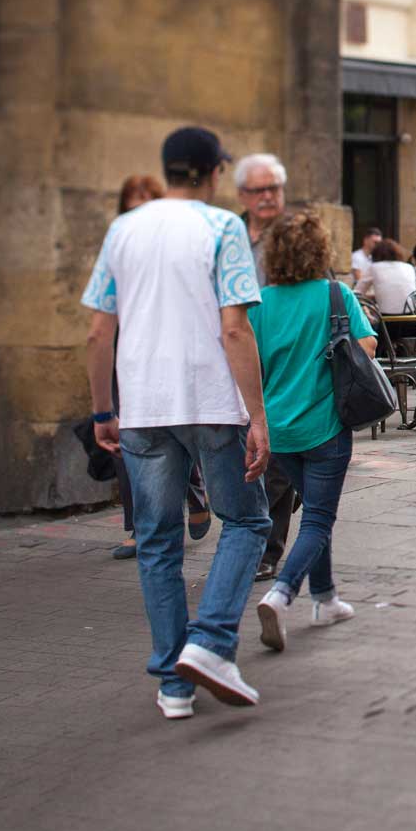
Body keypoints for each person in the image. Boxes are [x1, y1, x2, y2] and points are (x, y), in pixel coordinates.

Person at [82, 126, 273, 717]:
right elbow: (235, 327)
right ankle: (212, 642)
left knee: (157, 542)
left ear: (167, 171)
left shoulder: (123, 229)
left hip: (143, 406)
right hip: (211, 400)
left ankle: (173, 683)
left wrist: (102, 409)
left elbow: (97, 330)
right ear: (215, 172)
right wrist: (258, 416)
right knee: (246, 522)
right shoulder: (222, 228)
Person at [249, 212, 373, 652]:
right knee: (319, 518)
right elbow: (367, 346)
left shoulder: (261, 303)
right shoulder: (335, 295)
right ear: (320, 250)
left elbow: (251, 365)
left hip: (280, 432)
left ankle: (326, 599)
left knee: (315, 517)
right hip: (326, 428)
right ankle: (281, 595)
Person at [107, 176, 212, 561]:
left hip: (172, 351)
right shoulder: (118, 248)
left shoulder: (177, 250)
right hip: (130, 353)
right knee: (131, 437)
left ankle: (195, 495)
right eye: (132, 208)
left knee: (176, 429)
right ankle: (137, 526)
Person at [234, 153, 297, 582]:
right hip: (236, 353)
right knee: (244, 456)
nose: (268, 197)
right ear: (243, 195)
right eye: (259, 189)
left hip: (282, 355)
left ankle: (267, 550)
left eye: (274, 188)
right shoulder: (228, 235)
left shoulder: (296, 234)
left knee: (272, 458)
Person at [356, 238, 416, 315]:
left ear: (375, 254)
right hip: (412, 317)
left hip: (387, 319)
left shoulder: (374, 267)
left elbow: (357, 293)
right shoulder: (409, 267)